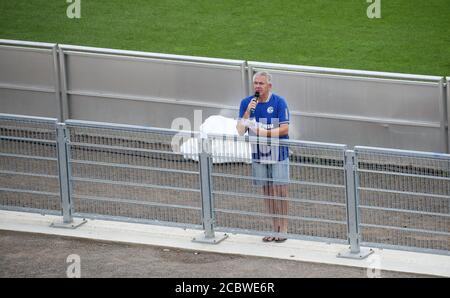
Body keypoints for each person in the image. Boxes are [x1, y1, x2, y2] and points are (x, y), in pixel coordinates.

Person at [236, 71, 290, 243]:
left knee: (280, 190)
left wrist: (265, 133)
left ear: (269, 86)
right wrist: (246, 114)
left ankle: (284, 228)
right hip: (259, 152)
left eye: (261, 83)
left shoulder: (279, 102)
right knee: (267, 190)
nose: (258, 86)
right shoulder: (246, 103)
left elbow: (285, 129)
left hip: (278, 152)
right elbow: (239, 130)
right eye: (256, 83)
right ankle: (274, 227)